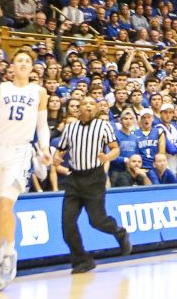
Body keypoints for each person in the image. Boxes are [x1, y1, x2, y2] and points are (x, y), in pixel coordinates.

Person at [0, 50, 47, 291]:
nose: (23, 64)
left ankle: (10, 253)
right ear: (12, 66)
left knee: (7, 206)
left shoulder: (39, 93)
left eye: (28, 61)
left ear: (32, 67)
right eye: (19, 60)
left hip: (20, 152)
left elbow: (43, 125)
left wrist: (45, 148)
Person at [54, 96, 130, 274]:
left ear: (96, 108)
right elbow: (61, 150)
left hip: (94, 178)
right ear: (78, 109)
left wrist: (107, 157)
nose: (88, 106)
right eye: (84, 104)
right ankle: (82, 260)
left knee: (97, 221)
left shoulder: (103, 126)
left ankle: (119, 232)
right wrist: (57, 157)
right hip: (74, 179)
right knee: (67, 224)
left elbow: (115, 148)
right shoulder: (70, 128)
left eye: (91, 104)